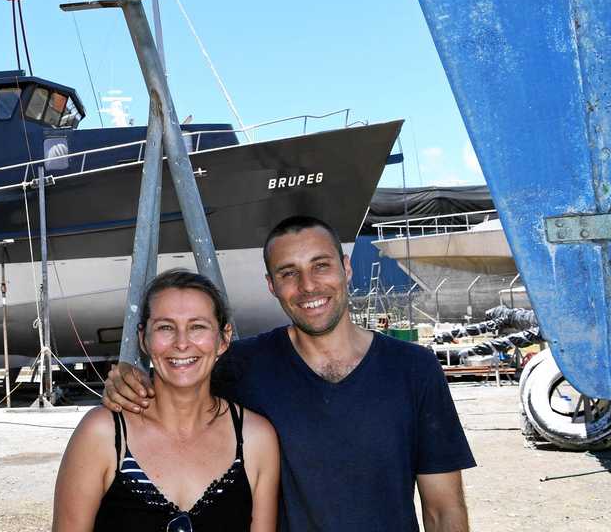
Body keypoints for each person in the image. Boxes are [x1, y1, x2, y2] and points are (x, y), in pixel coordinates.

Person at [105, 216, 474, 532]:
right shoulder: (240, 365)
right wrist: (129, 378)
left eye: (320, 265)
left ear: (346, 268)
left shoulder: (414, 369)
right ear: (271, 285)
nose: (308, 285)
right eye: (288, 273)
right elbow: (177, 379)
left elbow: (444, 509)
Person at [53, 269, 280, 531]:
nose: (181, 343)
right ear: (143, 338)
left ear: (224, 338)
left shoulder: (256, 439)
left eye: (197, 327)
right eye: (165, 327)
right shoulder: (102, 434)